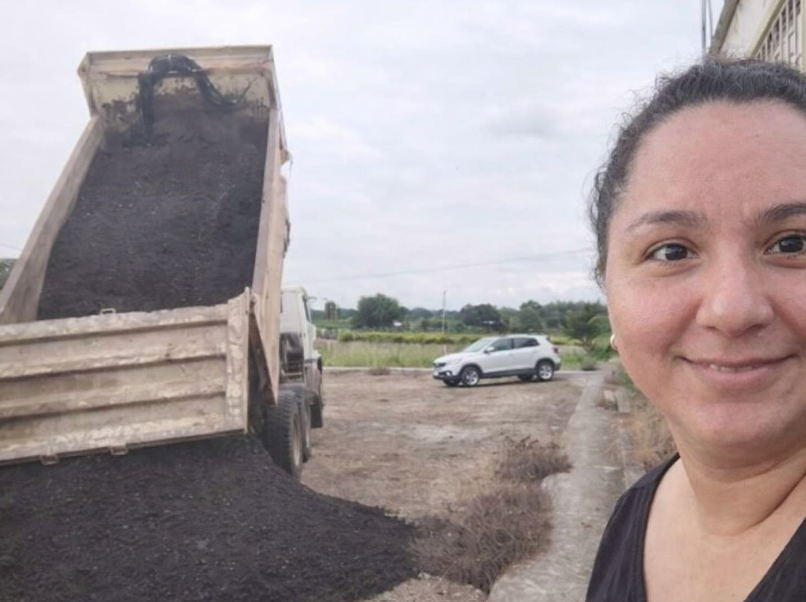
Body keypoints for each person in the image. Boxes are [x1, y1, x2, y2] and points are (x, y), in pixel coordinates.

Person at [586, 58, 806, 602]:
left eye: (793, 244)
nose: (733, 310)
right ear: (609, 293)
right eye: (671, 251)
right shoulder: (634, 511)